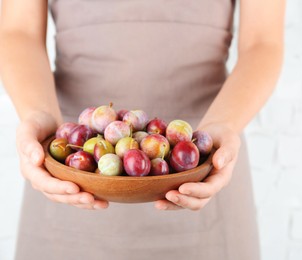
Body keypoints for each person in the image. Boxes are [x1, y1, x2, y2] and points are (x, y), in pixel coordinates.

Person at [0, 0, 285, 259]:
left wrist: (222, 126)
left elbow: (263, 42)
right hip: (72, 172)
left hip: (203, 167)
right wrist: (39, 116)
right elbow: (17, 30)